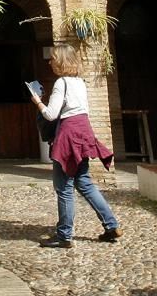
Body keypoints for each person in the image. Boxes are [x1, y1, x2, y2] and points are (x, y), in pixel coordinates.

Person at [30, 43, 122, 249]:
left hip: (68, 137)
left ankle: (64, 236)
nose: (50, 61)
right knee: (84, 182)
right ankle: (111, 224)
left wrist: (37, 101)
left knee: (64, 188)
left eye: (53, 58)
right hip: (83, 133)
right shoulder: (80, 82)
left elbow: (51, 114)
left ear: (61, 61)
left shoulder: (61, 83)